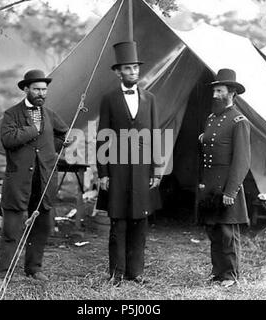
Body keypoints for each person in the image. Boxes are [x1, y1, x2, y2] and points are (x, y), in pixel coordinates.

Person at [0, 69, 69, 286]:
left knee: (41, 226)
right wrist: (32, 130)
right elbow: (7, 140)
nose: (41, 94)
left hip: (43, 180)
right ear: (26, 89)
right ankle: (3, 273)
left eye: (44, 90)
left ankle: (33, 268)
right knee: (12, 229)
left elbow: (62, 133)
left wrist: (50, 151)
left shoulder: (50, 114)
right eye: (36, 89)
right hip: (18, 181)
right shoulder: (11, 114)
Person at [96, 41, 161, 286]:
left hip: (144, 169)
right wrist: (103, 172)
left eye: (135, 68)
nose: (134, 72)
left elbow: (155, 134)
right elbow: (102, 136)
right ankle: (116, 273)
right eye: (128, 68)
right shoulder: (109, 99)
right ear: (118, 72)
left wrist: (156, 168)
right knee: (119, 221)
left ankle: (136, 272)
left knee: (140, 221)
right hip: (118, 168)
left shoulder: (150, 99)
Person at [198, 68, 251, 288]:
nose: (214, 95)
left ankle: (230, 275)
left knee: (228, 232)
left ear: (232, 93)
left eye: (219, 91)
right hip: (210, 184)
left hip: (226, 184)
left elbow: (242, 160)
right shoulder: (211, 118)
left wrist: (231, 191)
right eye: (214, 91)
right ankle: (218, 272)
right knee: (213, 229)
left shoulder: (239, 121)